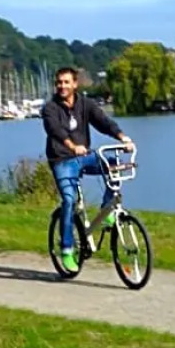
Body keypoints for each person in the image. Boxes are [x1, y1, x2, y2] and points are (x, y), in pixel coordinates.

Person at [42, 67, 132, 273]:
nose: (62, 86)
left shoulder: (85, 104)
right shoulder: (50, 108)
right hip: (62, 160)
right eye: (59, 82)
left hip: (84, 157)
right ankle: (66, 249)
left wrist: (122, 137)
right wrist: (72, 146)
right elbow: (55, 130)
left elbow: (104, 122)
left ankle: (107, 208)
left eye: (66, 82)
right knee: (69, 200)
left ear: (75, 84)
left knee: (113, 164)